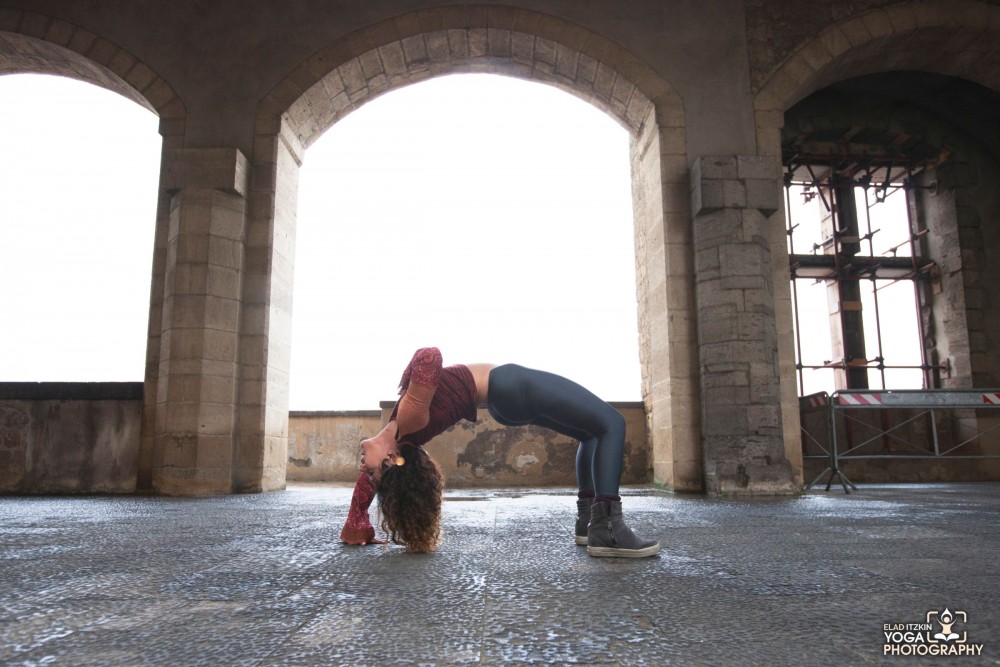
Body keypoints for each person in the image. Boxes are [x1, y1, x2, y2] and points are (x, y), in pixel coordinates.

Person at [340, 347, 659, 558]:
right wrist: (407, 383)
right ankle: (609, 531)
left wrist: (357, 525)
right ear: (389, 460)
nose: (361, 470)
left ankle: (588, 524)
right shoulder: (409, 419)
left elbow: (368, 484)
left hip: (503, 401)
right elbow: (429, 357)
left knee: (589, 434)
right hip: (508, 385)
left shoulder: (400, 432)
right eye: (369, 471)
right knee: (611, 424)